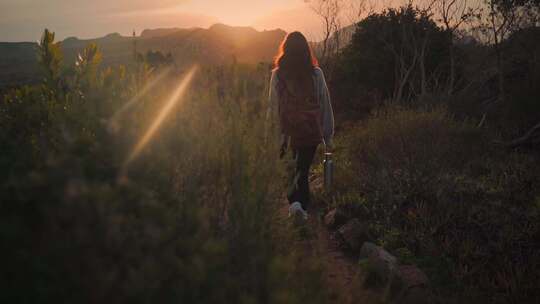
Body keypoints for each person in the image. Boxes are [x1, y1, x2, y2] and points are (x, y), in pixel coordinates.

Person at [267, 31, 335, 220]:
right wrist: (328, 136)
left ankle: (295, 206)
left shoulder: (278, 75)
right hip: (310, 133)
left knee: (290, 173)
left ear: (285, 50)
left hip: (285, 136)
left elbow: (272, 109)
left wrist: (270, 138)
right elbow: (324, 105)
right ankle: (301, 210)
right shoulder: (316, 74)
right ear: (306, 50)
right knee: (302, 172)